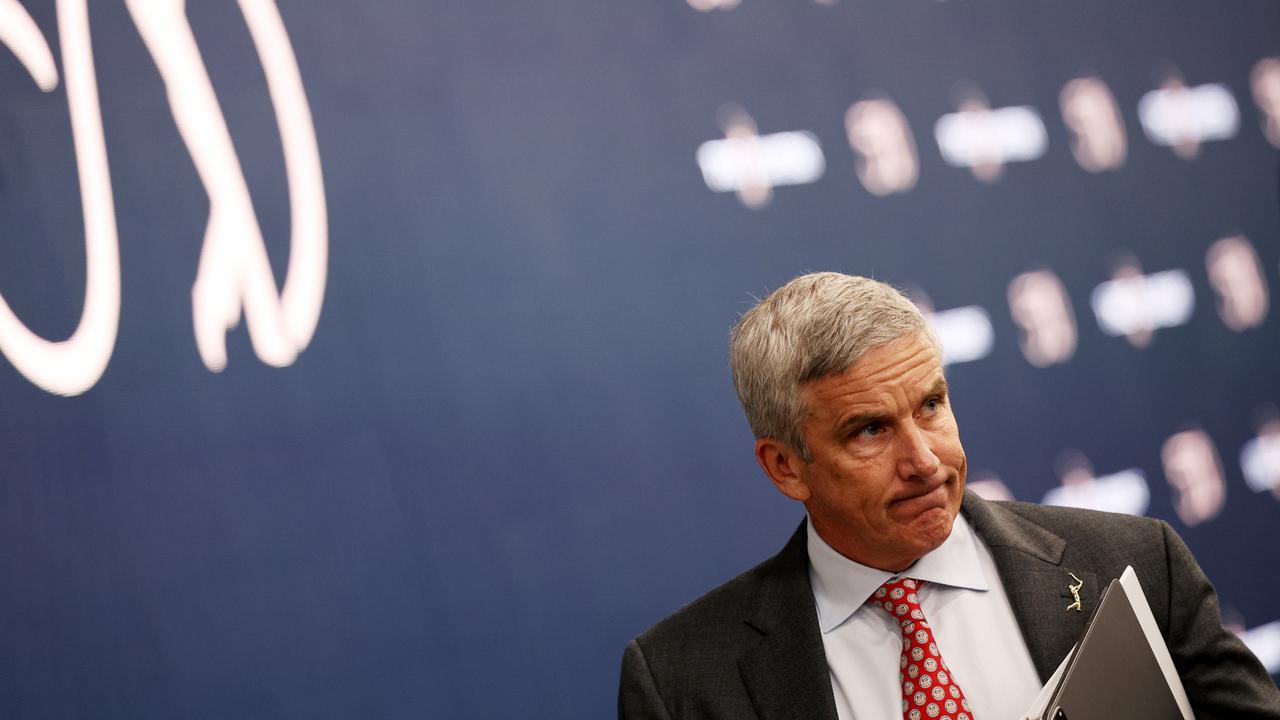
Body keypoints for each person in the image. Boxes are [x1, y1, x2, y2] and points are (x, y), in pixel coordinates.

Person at [618, 272, 1280, 719]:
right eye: (870, 430)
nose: (924, 459)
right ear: (787, 466)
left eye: (931, 405)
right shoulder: (682, 682)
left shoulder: (1134, 563)